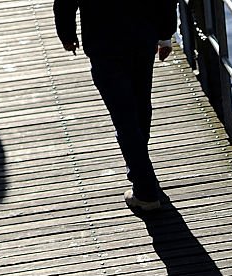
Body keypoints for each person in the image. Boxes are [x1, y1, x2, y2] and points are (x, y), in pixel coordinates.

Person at [54, 0, 178, 212]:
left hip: (104, 43)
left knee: (125, 118)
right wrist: (165, 36)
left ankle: (145, 190)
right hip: (142, 37)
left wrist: (67, 34)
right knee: (140, 109)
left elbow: (65, 3)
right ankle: (140, 171)